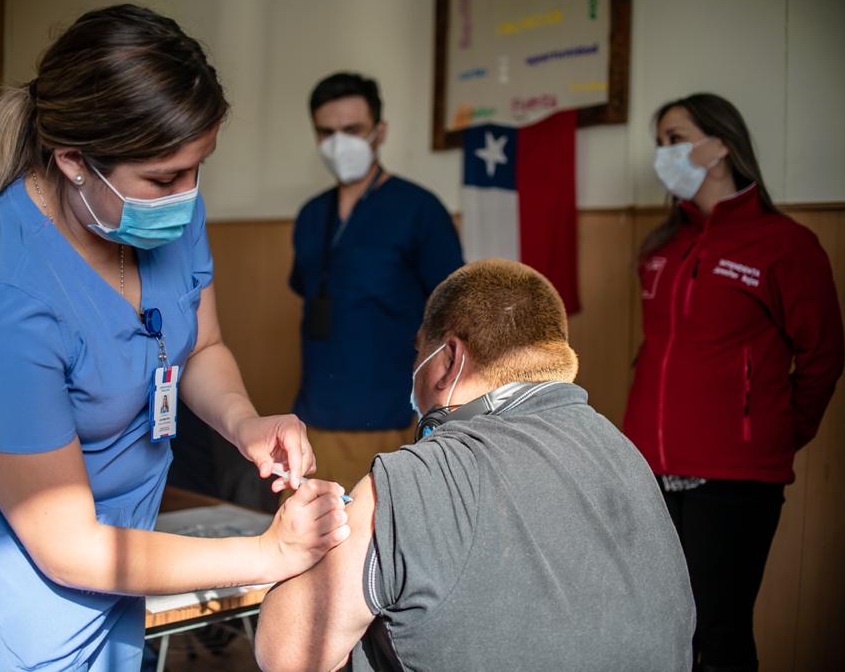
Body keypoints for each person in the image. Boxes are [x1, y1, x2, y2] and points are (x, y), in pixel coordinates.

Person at [0, 5, 349, 670]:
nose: (188, 196)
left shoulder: (155, 210)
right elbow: (69, 547)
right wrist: (269, 553)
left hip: (121, 577)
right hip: (10, 619)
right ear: (75, 161)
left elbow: (200, 347)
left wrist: (244, 421)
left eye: (198, 169)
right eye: (165, 179)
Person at [256, 259, 696, 671]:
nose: (414, 371)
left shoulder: (420, 478)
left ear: (448, 360)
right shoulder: (624, 455)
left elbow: (286, 654)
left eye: (418, 354)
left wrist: (300, 542)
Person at [623, 93, 845, 671]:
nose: (663, 153)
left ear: (721, 145)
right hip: (648, 471)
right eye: (660, 142)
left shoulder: (784, 244)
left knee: (715, 633)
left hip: (733, 479)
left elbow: (823, 357)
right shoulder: (663, 247)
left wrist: (771, 435)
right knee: (650, 623)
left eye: (675, 138)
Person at [289, 72, 464, 491]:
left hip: (391, 412)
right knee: (307, 536)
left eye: (352, 130)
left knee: (377, 542)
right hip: (313, 413)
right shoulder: (312, 215)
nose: (338, 143)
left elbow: (454, 315)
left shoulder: (419, 210)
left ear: (379, 132)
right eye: (326, 132)